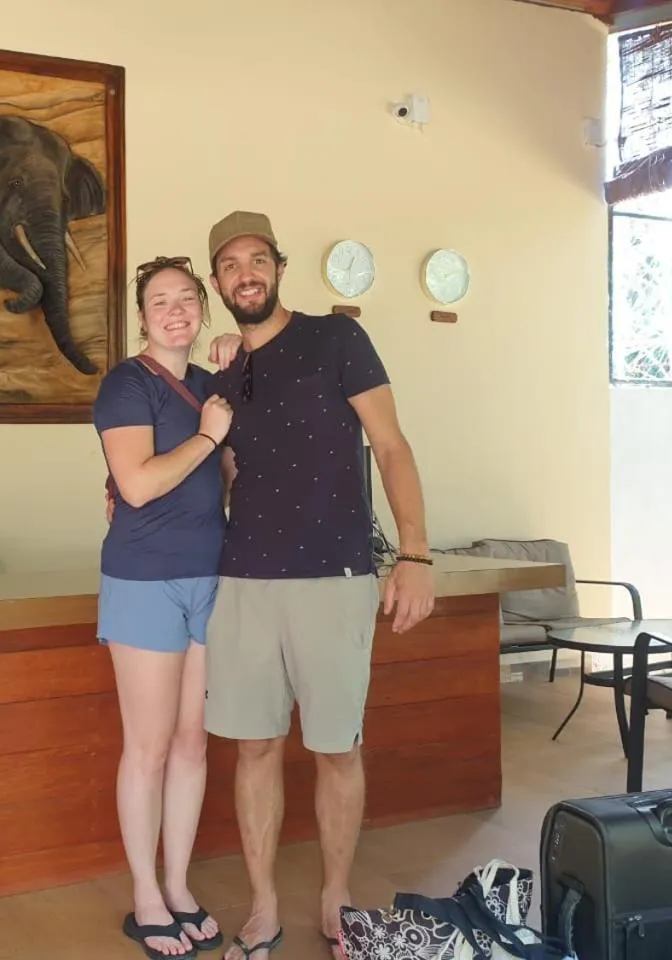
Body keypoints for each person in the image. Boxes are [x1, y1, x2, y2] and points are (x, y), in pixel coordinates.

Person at [201, 211, 437, 960]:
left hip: (334, 577)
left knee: (337, 749)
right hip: (242, 581)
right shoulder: (222, 370)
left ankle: (337, 893)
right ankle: (264, 903)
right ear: (218, 282)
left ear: (278, 267)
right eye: (232, 263)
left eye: (258, 258)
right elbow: (224, 474)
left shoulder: (337, 339)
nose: (247, 272)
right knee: (256, 749)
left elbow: (393, 447)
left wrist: (416, 555)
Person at [93, 254, 242, 960]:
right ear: (142, 316)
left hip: (208, 579)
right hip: (145, 580)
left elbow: (232, 479)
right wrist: (209, 437)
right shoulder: (126, 384)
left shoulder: (215, 386)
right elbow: (140, 484)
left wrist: (236, 360)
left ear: (203, 310)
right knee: (148, 748)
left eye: (188, 298)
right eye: (160, 300)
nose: (176, 309)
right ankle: (146, 896)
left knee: (191, 743)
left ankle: (179, 886)